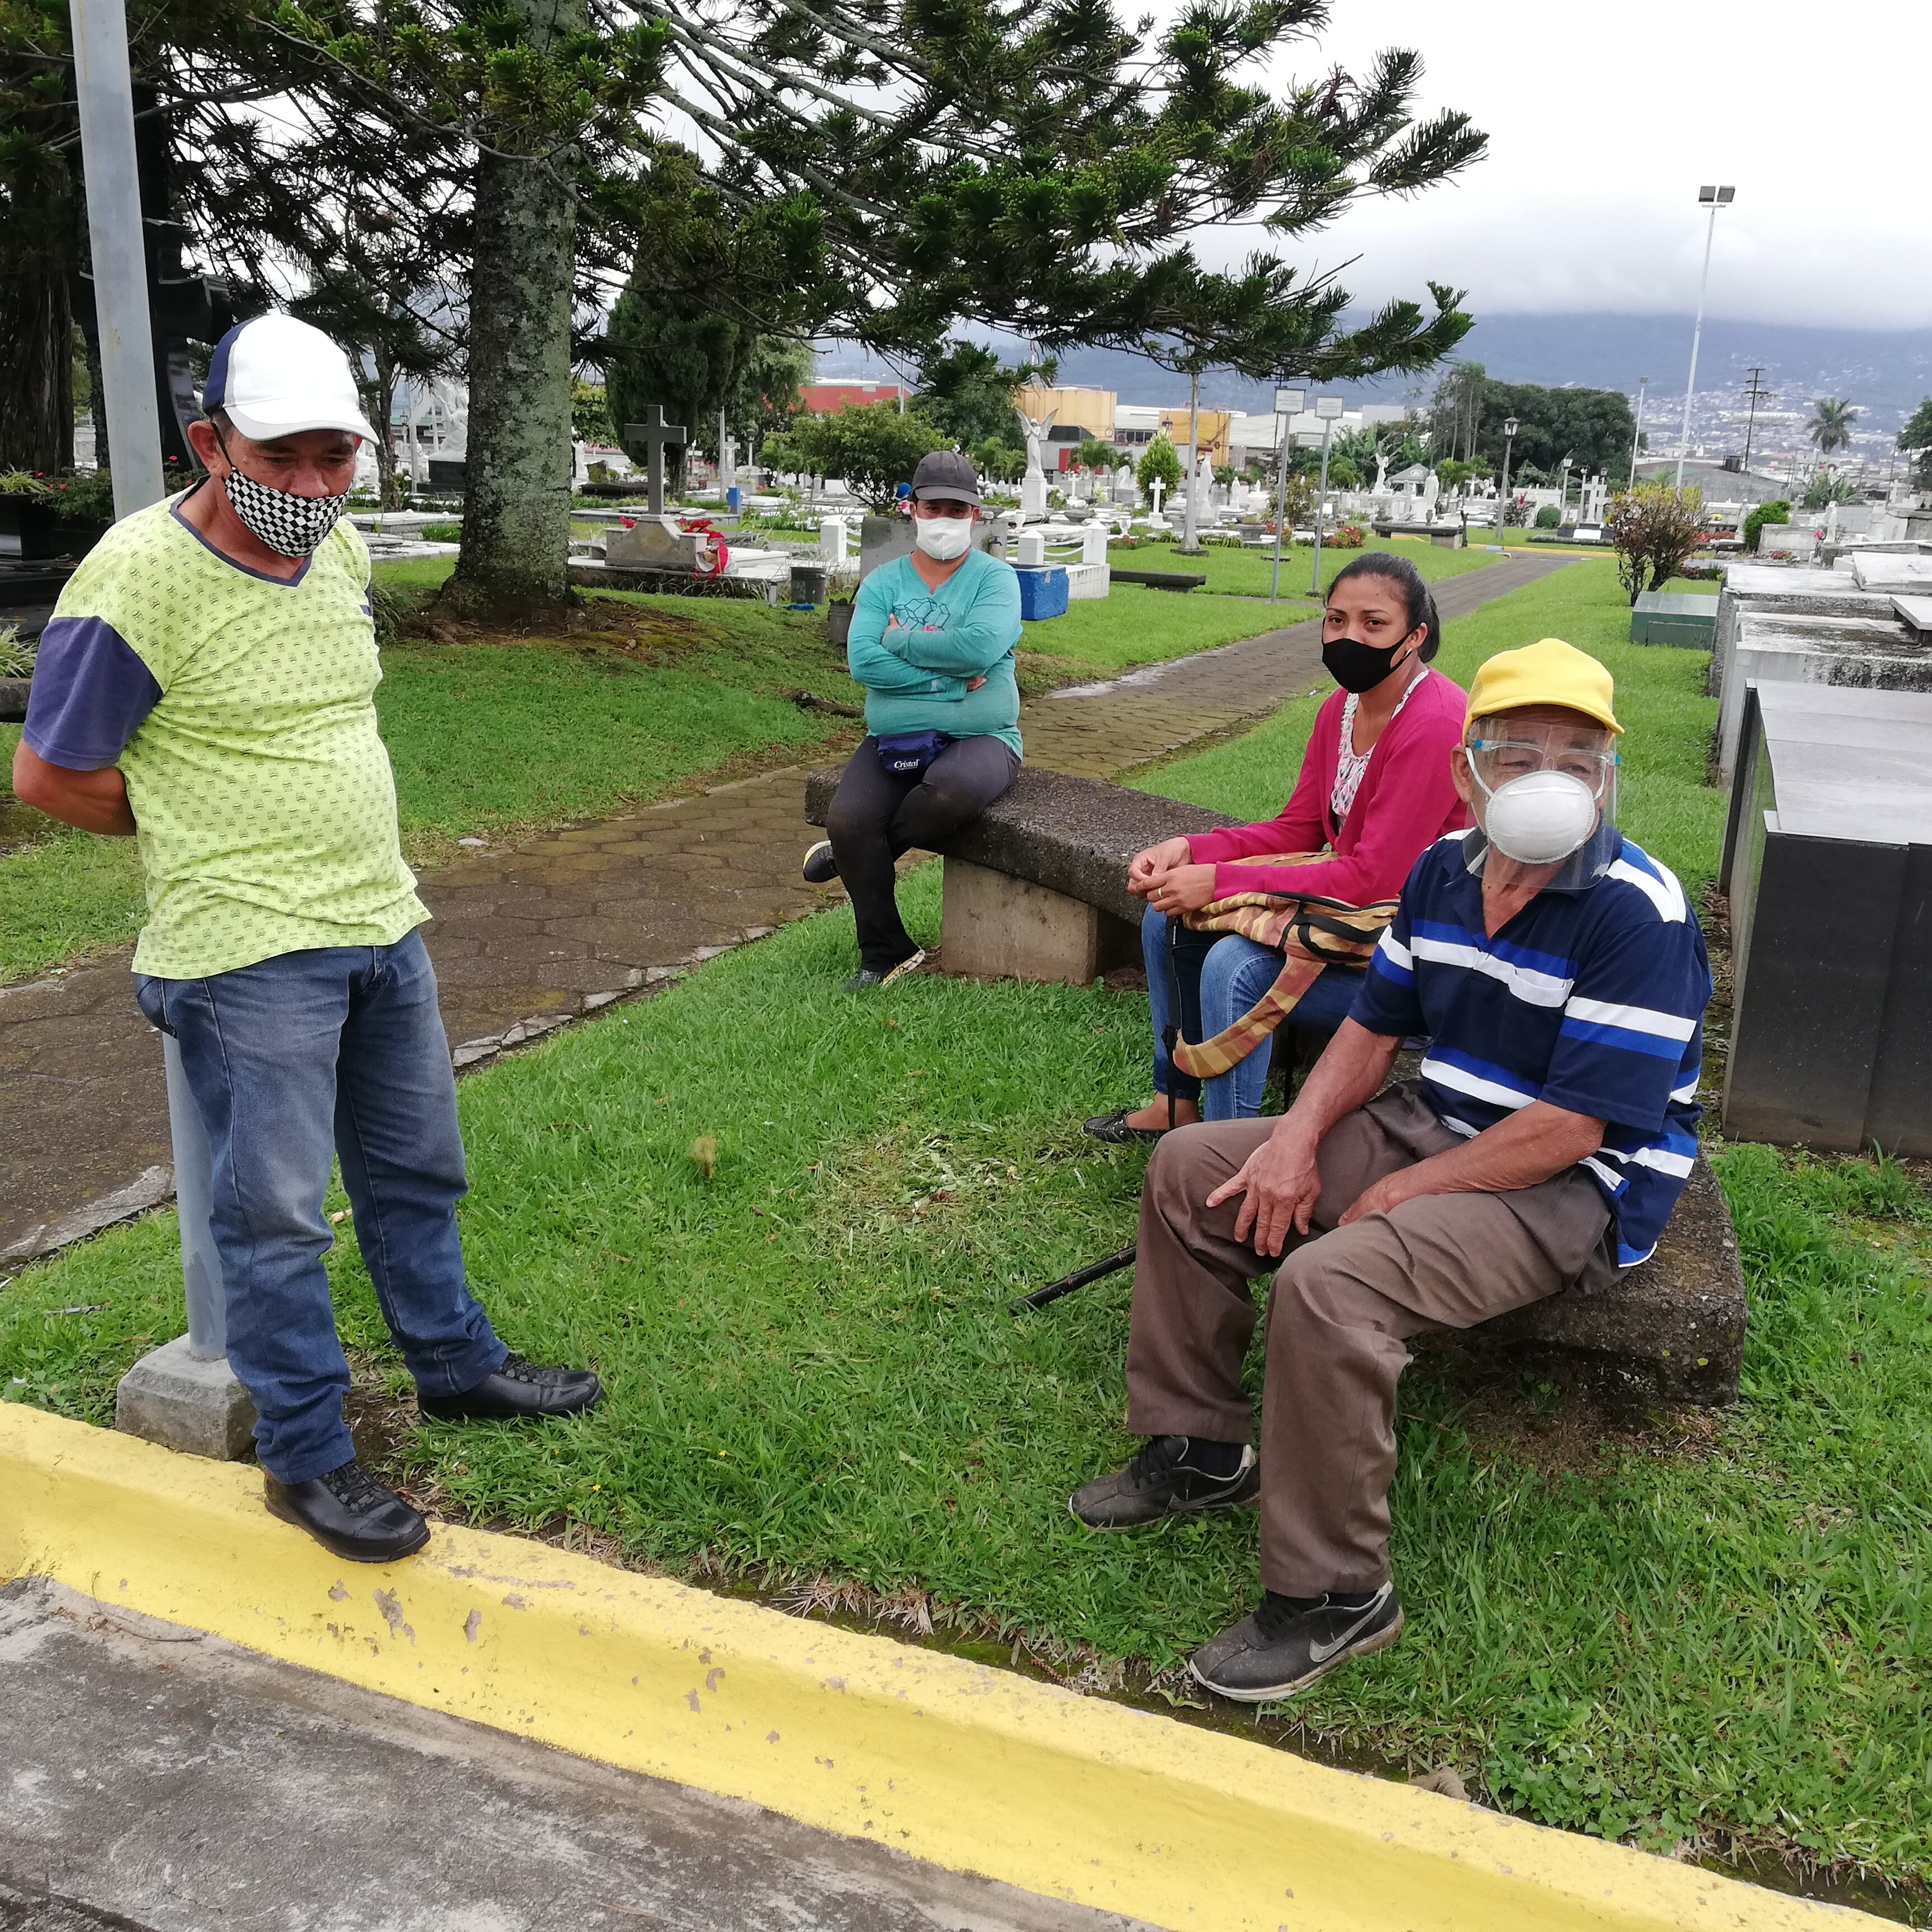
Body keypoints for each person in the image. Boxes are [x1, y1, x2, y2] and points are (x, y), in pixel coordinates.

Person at [12, 312, 601, 1565]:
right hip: (244, 953)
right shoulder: (135, 579)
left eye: (336, 459)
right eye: (283, 461)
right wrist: (195, 826)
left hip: (380, 917)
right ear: (209, 443)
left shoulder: (334, 552)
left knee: (416, 1167)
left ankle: (450, 1365)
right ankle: (306, 1454)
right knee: (277, 1215)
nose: (313, 488)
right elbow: (53, 776)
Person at [1069, 638, 1712, 1702]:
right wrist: (1289, 1140)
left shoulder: (1637, 910)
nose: (1548, 776)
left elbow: (1577, 1128)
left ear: (1607, 773)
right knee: (1192, 1167)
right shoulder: (1440, 872)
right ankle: (1199, 1448)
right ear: (1469, 771)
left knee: (1335, 1281)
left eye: (1577, 753)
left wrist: (1389, 1195)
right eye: (1518, 753)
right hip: (1441, 1118)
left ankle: (1337, 1595)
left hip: (1570, 1189)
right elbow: (1372, 1031)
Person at [1086, 554, 1469, 1139]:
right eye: (1336, 620)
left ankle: (1221, 1152)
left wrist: (1219, 882)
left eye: (1373, 624)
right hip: (1355, 921)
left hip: (1415, 942)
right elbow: (1298, 830)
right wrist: (1191, 849)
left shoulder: (1435, 721)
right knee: (1161, 921)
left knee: (1235, 968)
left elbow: (1374, 878)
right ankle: (1177, 1105)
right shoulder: (1339, 709)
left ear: (1415, 636)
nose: (1349, 637)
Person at [802, 451, 1021, 990]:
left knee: (947, 794)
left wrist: (899, 637)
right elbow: (863, 662)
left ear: (974, 515)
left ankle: (850, 857)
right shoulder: (882, 583)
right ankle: (886, 953)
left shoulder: (996, 580)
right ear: (913, 509)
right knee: (849, 818)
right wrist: (948, 681)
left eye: (957, 508)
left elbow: (979, 648)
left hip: (983, 737)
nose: (945, 517)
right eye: (934, 506)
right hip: (894, 736)